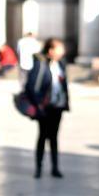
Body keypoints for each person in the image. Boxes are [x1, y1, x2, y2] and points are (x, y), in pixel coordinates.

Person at [25, 38, 70, 179]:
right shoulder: (41, 64)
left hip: (58, 106)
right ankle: (38, 167)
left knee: (54, 137)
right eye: (59, 48)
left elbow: (63, 84)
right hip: (44, 107)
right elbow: (31, 85)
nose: (62, 51)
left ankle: (55, 167)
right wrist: (37, 104)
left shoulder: (61, 64)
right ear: (50, 50)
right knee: (43, 136)